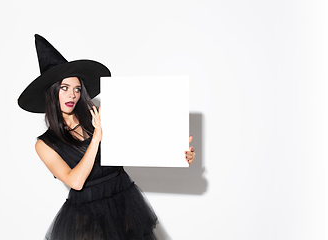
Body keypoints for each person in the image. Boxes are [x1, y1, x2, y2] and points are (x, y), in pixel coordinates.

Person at [18, 34, 195, 240]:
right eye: (64, 88)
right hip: (88, 216)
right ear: (52, 93)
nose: (72, 95)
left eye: (77, 89)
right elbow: (75, 181)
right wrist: (96, 138)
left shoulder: (100, 117)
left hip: (124, 201)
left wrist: (177, 152)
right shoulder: (45, 144)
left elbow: (139, 145)